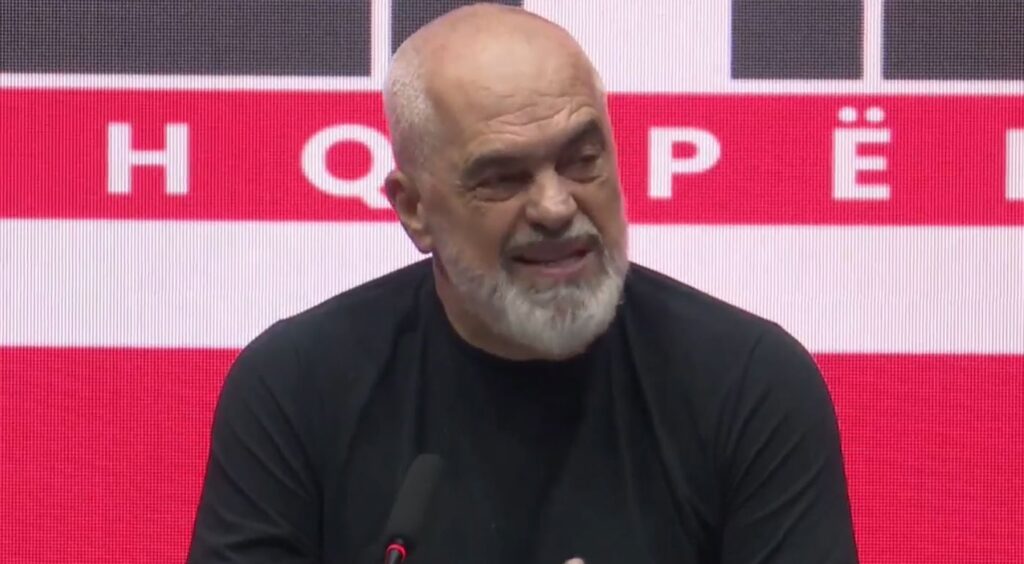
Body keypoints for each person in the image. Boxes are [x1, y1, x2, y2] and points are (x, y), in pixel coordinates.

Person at [185, 4, 859, 564]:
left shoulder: (747, 384)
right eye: (502, 179)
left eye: (582, 160)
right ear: (414, 209)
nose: (556, 207)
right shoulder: (296, 388)